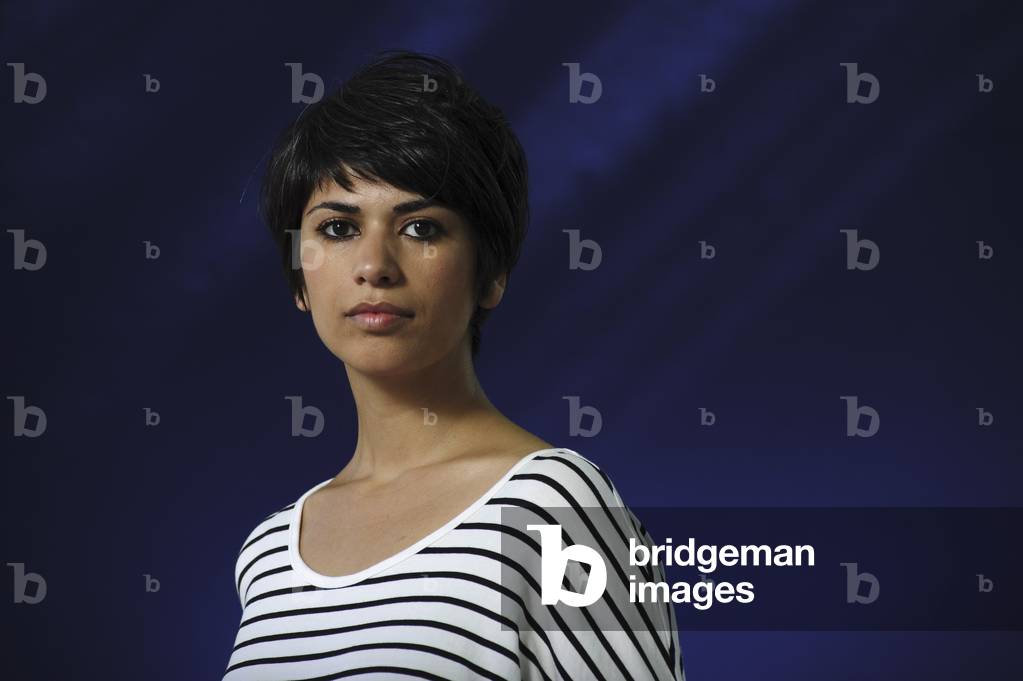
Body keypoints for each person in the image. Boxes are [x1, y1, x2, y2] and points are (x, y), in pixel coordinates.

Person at [222, 49, 686, 680]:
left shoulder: (558, 505)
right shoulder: (269, 553)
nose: (375, 265)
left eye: (420, 228)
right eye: (336, 229)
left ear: (490, 274)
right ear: (299, 280)